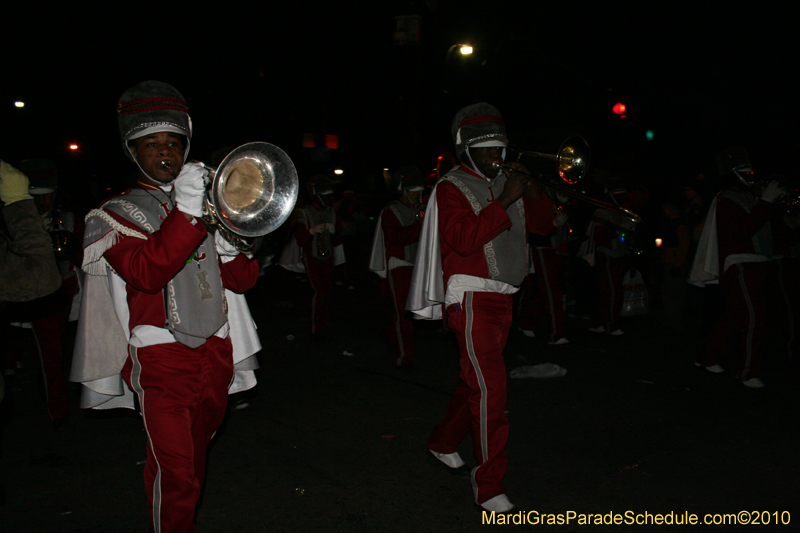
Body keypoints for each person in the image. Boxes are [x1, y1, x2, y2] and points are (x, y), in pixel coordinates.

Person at [69, 81, 261, 531]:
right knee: (176, 471)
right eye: (151, 144)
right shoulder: (113, 212)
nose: (165, 153)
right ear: (131, 150)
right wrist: (189, 210)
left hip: (216, 351)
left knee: (192, 462)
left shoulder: (209, 205)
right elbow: (147, 271)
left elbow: (243, 280)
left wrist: (232, 244)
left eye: (173, 143)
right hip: (160, 355)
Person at [407, 103, 554, 513]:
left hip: (506, 297)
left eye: (500, 149)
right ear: (467, 150)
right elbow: (463, 239)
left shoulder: (512, 181)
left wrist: (535, 189)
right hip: (470, 297)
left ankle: (441, 442)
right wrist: (506, 199)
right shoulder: (451, 187)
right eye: (488, 150)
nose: (498, 157)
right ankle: (488, 485)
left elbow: (544, 227)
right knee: (492, 388)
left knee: (475, 382)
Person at [689, 147, 785, 388]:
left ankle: (706, 357)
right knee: (754, 317)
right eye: (745, 171)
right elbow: (742, 231)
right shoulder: (726, 198)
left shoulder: (750, 196)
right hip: (740, 263)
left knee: (734, 316)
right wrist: (765, 202)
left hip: (758, 263)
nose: (751, 175)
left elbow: (770, 232)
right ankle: (747, 371)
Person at [6, 159, 82, 426]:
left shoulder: (68, 218)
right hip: (39, 294)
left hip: (68, 290)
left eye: (47, 196)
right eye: (36, 197)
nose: (43, 202)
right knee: (49, 353)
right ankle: (57, 409)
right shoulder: (19, 222)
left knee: (68, 351)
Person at [368, 166, 425, 366]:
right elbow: (395, 238)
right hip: (399, 265)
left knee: (418, 310)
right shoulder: (391, 210)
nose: (418, 195)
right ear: (404, 191)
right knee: (403, 313)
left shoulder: (423, 208)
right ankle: (404, 355)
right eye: (414, 191)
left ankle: (393, 335)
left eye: (420, 191)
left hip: (420, 265)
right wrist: (420, 225)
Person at [279, 175, 343, 339]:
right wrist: (312, 231)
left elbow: (337, 241)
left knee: (326, 292)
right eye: (326, 196)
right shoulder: (305, 212)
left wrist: (335, 230)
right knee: (320, 291)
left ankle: (321, 324)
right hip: (311, 256)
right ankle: (316, 329)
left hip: (328, 256)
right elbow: (301, 239)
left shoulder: (332, 212)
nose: (330, 199)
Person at [580, 178, 637, 336]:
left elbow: (625, 235)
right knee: (612, 291)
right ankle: (611, 324)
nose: (620, 198)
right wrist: (618, 231)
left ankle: (598, 322)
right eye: (617, 195)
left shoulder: (622, 211)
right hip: (607, 255)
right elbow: (599, 236)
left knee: (608, 291)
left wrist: (627, 233)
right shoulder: (602, 211)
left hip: (619, 255)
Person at [516, 184, 570, 344]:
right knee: (550, 291)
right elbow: (533, 223)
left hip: (552, 248)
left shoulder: (550, 198)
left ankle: (527, 323)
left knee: (542, 291)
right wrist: (553, 224)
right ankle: (556, 333)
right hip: (540, 247)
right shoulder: (536, 195)